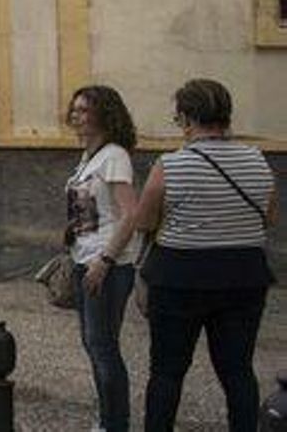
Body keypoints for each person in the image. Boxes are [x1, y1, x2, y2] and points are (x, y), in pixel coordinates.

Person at [99, 78, 277, 432]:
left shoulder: (172, 165)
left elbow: (145, 220)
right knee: (238, 370)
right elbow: (269, 217)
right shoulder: (257, 160)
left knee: (167, 371)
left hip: (180, 277)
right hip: (244, 275)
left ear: (186, 118)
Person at [58, 86, 140, 432]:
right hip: (84, 256)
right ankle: (108, 418)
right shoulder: (88, 157)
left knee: (103, 346)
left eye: (84, 110)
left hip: (106, 264)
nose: (76, 116)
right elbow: (92, 210)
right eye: (74, 110)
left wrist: (105, 259)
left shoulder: (114, 156)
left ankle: (115, 423)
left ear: (105, 114)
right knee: (93, 344)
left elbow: (130, 214)